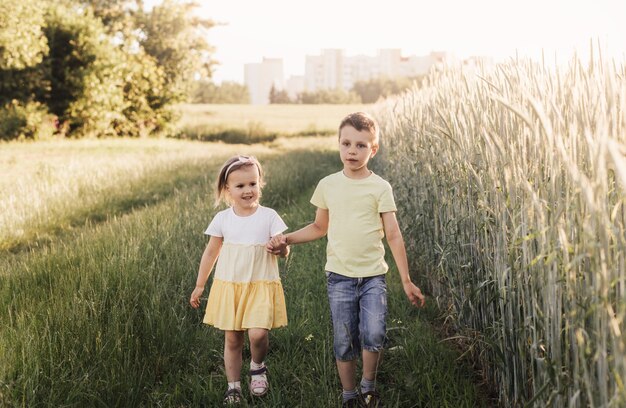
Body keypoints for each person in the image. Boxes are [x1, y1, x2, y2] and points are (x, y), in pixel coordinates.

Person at [267, 112, 425, 408]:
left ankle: (368, 385)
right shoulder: (328, 184)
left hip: (373, 277)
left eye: (361, 145)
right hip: (339, 276)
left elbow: (393, 235)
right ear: (338, 145)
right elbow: (319, 227)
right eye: (346, 143)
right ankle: (349, 394)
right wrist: (287, 239)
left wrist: (405, 280)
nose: (352, 151)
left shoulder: (380, 187)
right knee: (344, 339)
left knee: (374, 333)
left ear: (373, 150)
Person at [190, 155, 290, 405]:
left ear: (260, 184)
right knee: (233, 338)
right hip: (230, 285)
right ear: (227, 190)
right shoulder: (223, 219)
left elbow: (284, 249)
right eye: (240, 186)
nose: (248, 190)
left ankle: (257, 366)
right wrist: (200, 284)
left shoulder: (269, 216)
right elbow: (211, 252)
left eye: (253, 184)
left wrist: (280, 249)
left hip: (260, 285)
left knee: (257, 334)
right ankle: (233, 386)